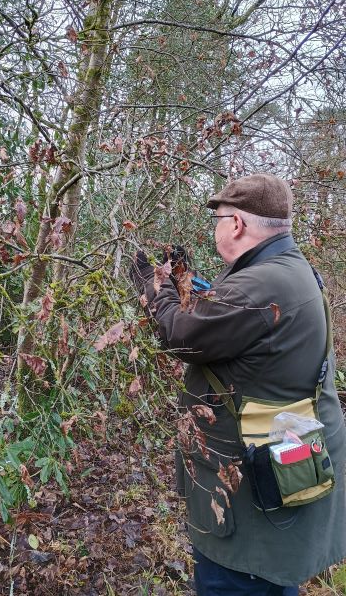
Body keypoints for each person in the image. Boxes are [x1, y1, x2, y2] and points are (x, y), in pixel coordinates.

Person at [130, 174, 346, 595]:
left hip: (251, 502)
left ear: (237, 225)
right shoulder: (289, 270)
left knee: (239, 581)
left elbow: (182, 335)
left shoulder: (262, 285)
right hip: (286, 467)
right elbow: (229, 319)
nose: (216, 227)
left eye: (219, 218)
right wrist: (185, 283)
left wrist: (153, 286)